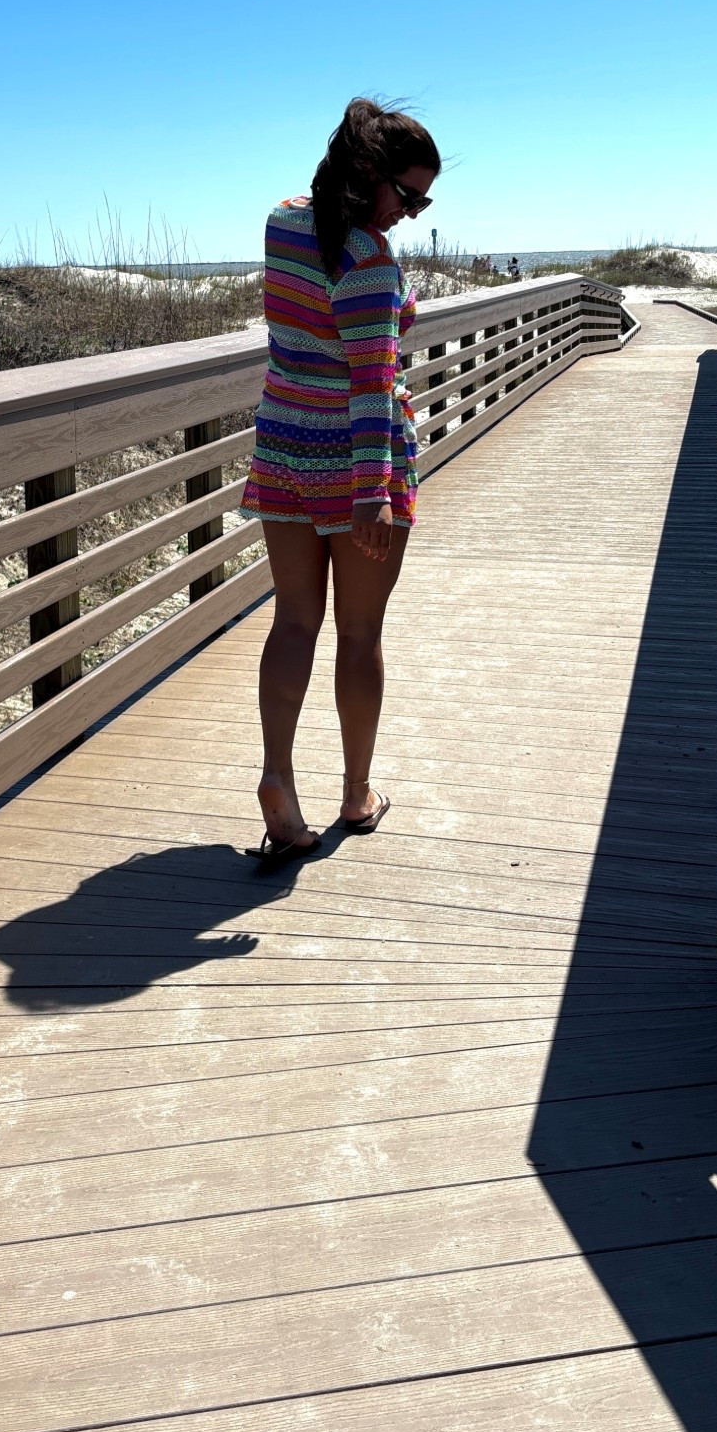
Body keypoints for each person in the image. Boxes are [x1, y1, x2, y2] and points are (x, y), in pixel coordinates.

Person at [238, 98, 442, 861]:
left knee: (294, 622)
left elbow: (314, 320)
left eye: (422, 204)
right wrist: (371, 494)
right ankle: (356, 794)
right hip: (355, 465)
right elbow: (369, 384)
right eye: (406, 195)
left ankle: (277, 779)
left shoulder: (282, 221)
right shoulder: (370, 261)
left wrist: (392, 304)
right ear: (365, 171)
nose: (408, 214)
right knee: (359, 633)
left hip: (282, 445)